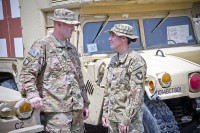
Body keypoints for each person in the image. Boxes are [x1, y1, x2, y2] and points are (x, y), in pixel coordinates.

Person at [19, 8, 90, 133]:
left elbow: (79, 79)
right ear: (58, 24)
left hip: (77, 111)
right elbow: (27, 72)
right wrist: (32, 94)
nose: (73, 29)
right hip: (57, 113)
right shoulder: (43, 45)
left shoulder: (71, 49)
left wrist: (85, 104)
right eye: (70, 26)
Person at [102, 24, 147, 133]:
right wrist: (105, 112)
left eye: (113, 35)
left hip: (129, 123)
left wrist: (126, 118)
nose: (109, 39)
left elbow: (137, 94)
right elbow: (108, 89)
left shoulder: (135, 61)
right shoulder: (114, 60)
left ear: (123, 38)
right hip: (113, 119)